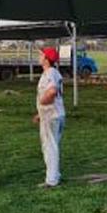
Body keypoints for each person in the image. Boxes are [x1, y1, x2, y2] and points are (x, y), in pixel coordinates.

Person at [33, 47, 65, 188]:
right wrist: (40, 113)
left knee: (49, 147)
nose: (39, 57)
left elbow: (52, 92)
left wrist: (42, 102)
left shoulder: (50, 73)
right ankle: (55, 175)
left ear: (46, 59)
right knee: (53, 146)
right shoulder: (51, 73)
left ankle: (51, 180)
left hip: (51, 116)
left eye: (41, 55)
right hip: (53, 114)